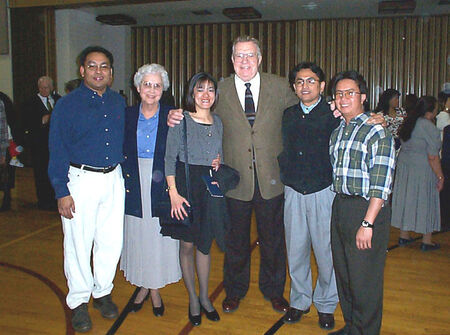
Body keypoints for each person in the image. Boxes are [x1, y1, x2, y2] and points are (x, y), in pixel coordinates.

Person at [169, 36, 298, 314]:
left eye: (250, 55)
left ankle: (274, 290)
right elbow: (198, 110)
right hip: (234, 179)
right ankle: (235, 290)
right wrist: (176, 114)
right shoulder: (221, 89)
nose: (245, 61)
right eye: (239, 56)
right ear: (232, 60)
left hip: (271, 179)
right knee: (235, 241)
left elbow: (306, 105)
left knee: (273, 240)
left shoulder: (279, 86)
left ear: (260, 59)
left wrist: (336, 108)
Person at [48, 46, 126, 333]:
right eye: (92, 66)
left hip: (113, 179)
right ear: (82, 70)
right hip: (80, 180)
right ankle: (79, 300)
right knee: (79, 243)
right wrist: (61, 190)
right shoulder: (67, 105)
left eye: (104, 66)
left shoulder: (118, 103)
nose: (98, 71)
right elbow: (56, 149)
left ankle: (102, 292)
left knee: (110, 240)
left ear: (111, 73)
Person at [329, 70, 395, 335]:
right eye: (339, 94)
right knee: (345, 276)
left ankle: (366, 331)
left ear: (363, 97)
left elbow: (381, 182)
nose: (344, 98)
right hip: (341, 207)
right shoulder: (339, 131)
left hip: (367, 209)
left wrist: (367, 222)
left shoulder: (376, 131)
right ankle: (353, 327)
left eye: (350, 93)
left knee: (364, 280)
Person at [278, 62, 338, 330]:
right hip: (293, 191)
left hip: (323, 191)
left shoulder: (334, 113)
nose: (305, 86)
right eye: (300, 81)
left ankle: (326, 304)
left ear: (322, 86)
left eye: (311, 81)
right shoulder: (287, 115)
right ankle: (299, 301)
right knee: (297, 250)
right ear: (294, 87)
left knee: (326, 254)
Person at [120, 63, 181, 316]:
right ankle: (143, 285)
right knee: (137, 234)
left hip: (162, 181)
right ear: (138, 87)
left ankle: (154, 289)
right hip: (133, 181)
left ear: (163, 89)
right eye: (147, 84)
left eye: (157, 85)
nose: (152, 90)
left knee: (157, 236)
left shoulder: (172, 116)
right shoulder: (126, 115)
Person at [162, 72, 222, 326]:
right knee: (187, 245)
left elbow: (219, 154)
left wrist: (219, 161)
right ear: (192, 93)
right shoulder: (181, 120)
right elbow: (168, 159)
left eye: (210, 89)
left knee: (204, 245)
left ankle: (205, 297)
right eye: (200, 89)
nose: (205, 95)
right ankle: (192, 298)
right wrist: (173, 194)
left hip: (208, 187)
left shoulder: (219, 121)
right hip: (185, 187)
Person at [391, 96, 443, 251]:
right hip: (422, 168)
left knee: (407, 199)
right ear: (431, 110)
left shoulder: (409, 122)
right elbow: (433, 156)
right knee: (426, 200)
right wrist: (440, 176)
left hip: (405, 166)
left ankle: (404, 235)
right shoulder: (428, 126)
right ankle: (427, 240)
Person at [23, 76, 60, 210]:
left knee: (54, 171)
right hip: (39, 144)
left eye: (47, 87)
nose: (44, 90)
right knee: (41, 172)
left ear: (51, 88)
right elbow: (27, 122)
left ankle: (55, 198)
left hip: (55, 143)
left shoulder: (58, 100)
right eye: (42, 88)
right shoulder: (31, 102)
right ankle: (44, 200)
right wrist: (43, 120)